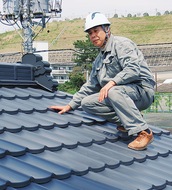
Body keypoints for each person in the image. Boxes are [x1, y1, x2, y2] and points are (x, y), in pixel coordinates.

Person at [50, 12, 155, 151]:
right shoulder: (99, 60)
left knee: (112, 91)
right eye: (90, 33)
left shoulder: (122, 44)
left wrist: (111, 83)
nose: (93, 35)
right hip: (122, 96)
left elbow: (133, 69)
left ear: (107, 30)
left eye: (96, 31)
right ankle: (129, 119)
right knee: (87, 103)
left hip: (142, 91)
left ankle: (144, 132)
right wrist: (70, 106)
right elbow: (90, 86)